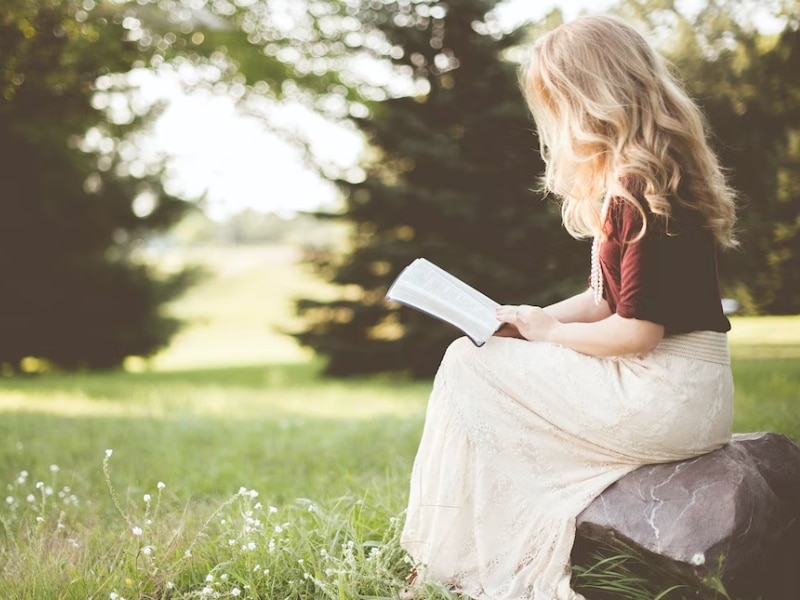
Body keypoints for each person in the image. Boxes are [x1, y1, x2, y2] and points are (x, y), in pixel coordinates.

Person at [399, 13, 738, 600]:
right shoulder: (653, 176)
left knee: (465, 363)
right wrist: (523, 321)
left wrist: (550, 333)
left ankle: (454, 556)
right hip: (689, 388)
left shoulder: (637, 187)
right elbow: (602, 300)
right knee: (479, 354)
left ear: (590, 98)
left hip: (666, 391)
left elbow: (637, 333)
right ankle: (460, 549)